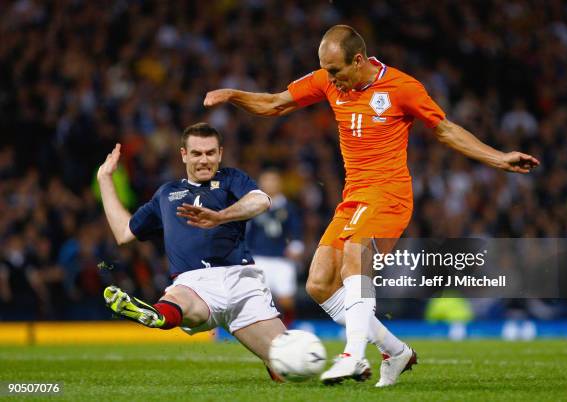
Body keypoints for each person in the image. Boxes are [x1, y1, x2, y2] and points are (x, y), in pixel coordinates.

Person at [199, 25, 540, 386]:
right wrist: (233, 94)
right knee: (318, 284)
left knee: (355, 256)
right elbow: (274, 103)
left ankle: (353, 355)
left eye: (335, 70)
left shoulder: (402, 88)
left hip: (390, 194)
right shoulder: (328, 80)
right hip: (354, 197)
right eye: (325, 70)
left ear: (358, 60)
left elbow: (445, 129)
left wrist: (499, 159)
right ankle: (396, 351)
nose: (330, 79)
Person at [97, 122, 286, 381]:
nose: (204, 160)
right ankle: (156, 314)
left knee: (288, 367)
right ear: (184, 155)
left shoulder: (231, 179)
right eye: (197, 153)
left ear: (220, 153)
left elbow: (261, 200)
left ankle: (162, 314)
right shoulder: (166, 194)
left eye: (210, 153)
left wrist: (220, 216)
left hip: (242, 282)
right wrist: (105, 179)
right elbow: (124, 232)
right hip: (194, 283)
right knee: (181, 301)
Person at [246, 169, 304, 327]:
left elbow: (296, 231)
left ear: (280, 183)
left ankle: (287, 328)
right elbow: (247, 232)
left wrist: (296, 248)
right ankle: (260, 329)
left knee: (286, 300)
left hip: (281, 259)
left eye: (273, 180)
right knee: (258, 299)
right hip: (258, 258)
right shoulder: (253, 205)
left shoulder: (289, 207)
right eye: (267, 180)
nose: (270, 184)